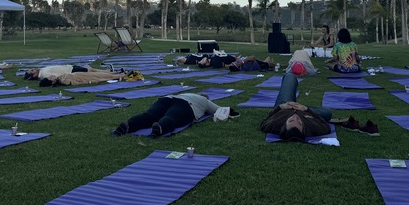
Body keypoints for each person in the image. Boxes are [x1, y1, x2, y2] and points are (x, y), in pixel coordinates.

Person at [260, 72, 378, 140]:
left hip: (285, 104)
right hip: (304, 110)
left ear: (284, 125)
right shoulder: (315, 129)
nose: (296, 118)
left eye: (291, 121)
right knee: (327, 113)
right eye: (300, 122)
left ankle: (289, 80)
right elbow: (324, 124)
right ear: (304, 128)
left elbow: (265, 120)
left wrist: (281, 107)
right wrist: (306, 109)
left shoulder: (274, 125)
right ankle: (303, 107)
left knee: (290, 76)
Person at [111, 93, 239, 137]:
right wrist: (233, 111)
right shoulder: (204, 101)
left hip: (167, 99)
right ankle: (159, 128)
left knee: (148, 116)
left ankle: (127, 125)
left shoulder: (186, 93)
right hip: (186, 105)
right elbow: (220, 110)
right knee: (172, 118)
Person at [38, 70, 130, 87]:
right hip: (83, 77)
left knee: (102, 74)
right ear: (52, 82)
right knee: (104, 76)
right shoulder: (64, 81)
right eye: (50, 78)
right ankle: (124, 75)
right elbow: (77, 83)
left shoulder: (60, 78)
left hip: (81, 74)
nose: (51, 76)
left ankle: (121, 74)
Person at [23, 64, 110, 81]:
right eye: (32, 70)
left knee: (90, 69)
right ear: (34, 74)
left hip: (69, 67)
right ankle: (109, 73)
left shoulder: (42, 71)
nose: (33, 69)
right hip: (70, 71)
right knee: (90, 71)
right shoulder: (44, 75)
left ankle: (107, 71)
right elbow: (58, 76)